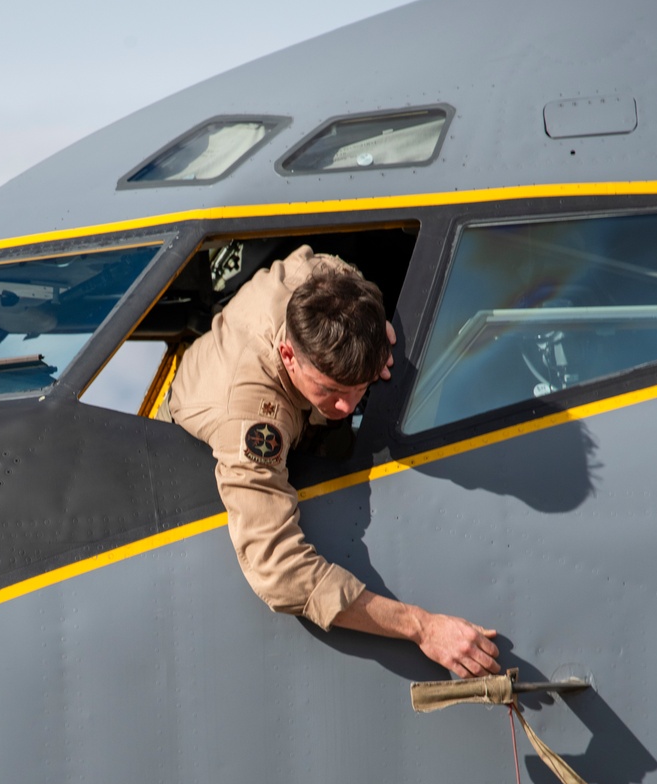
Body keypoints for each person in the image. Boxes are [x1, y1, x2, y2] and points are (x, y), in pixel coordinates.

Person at [162, 245, 499, 678]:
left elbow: (336, 271)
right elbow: (279, 571)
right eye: (330, 389)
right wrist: (422, 627)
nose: (344, 405)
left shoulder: (322, 279)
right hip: (190, 426)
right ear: (289, 356)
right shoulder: (252, 419)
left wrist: (375, 336)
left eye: (358, 387)